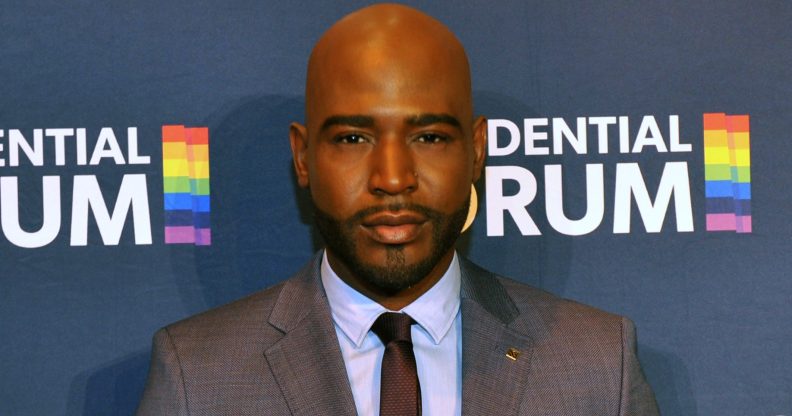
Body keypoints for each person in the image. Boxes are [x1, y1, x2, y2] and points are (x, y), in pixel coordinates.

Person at [137, 4, 659, 415]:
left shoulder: (596, 366)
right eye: (353, 137)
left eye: (429, 136)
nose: (392, 178)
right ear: (303, 156)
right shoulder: (197, 377)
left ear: (476, 151)